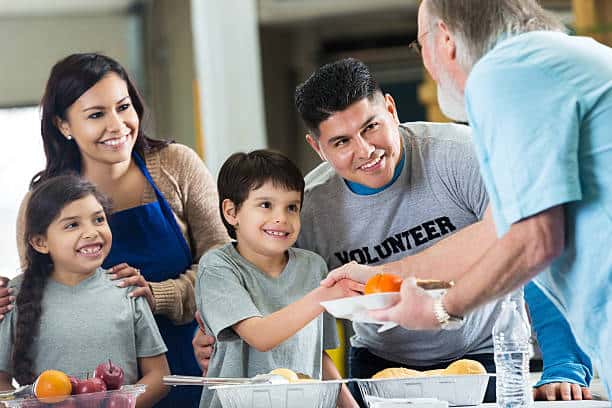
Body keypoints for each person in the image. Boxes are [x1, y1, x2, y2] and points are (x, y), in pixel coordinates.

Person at [294, 58, 592, 403]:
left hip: (481, 355)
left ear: (391, 109)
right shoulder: (308, 209)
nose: (365, 150)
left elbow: (532, 250)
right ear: (318, 148)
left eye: (371, 127)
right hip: (379, 363)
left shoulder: (461, 155)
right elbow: (297, 317)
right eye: (341, 142)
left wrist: (565, 364)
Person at [360, 0, 612, 396]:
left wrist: (443, 309)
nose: (424, 60)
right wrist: (381, 277)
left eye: (419, 44)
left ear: (445, 39)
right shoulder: (548, 61)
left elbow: (535, 240)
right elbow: (498, 230)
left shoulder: (505, 71)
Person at [3, 53, 228, 406]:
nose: (117, 125)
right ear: (64, 126)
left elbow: (224, 267)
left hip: (189, 364)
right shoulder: (41, 202)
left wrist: (159, 294)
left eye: (123, 107)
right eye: (96, 115)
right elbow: (38, 297)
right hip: (92, 388)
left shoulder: (176, 165)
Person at [196, 150, 360, 408]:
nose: (281, 218)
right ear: (231, 212)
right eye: (265, 205)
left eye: (292, 207)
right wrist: (325, 296)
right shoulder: (218, 267)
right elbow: (260, 337)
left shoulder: (313, 266)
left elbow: (319, 354)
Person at [0, 175, 169, 408]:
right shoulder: (14, 295)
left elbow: (159, 375)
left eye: (98, 219)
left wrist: (123, 405)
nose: (91, 232)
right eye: (72, 225)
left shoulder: (126, 288)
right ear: (40, 242)